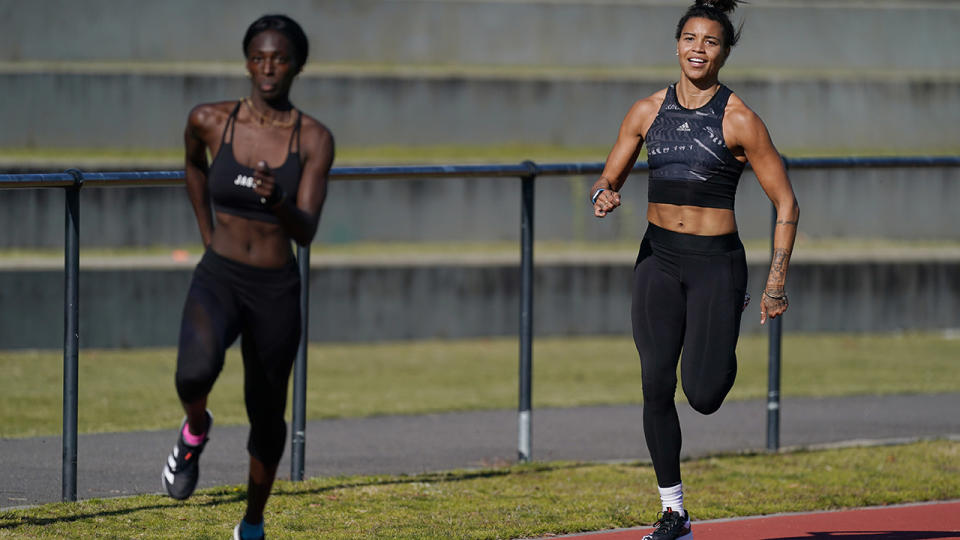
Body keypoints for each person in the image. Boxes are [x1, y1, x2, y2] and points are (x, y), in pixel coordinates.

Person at [590, 1, 799, 538]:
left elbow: (786, 204)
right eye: (689, 38)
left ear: (724, 52)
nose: (697, 48)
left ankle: (721, 342)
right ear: (677, 44)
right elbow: (609, 177)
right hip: (657, 258)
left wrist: (775, 282)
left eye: (709, 41)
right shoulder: (645, 111)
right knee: (655, 383)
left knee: (702, 395)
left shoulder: (740, 120)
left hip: (715, 266)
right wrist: (604, 194)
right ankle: (674, 511)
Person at [160, 14, 334, 540]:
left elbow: (305, 230)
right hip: (220, 275)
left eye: (279, 59)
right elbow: (192, 165)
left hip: (274, 288)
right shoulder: (210, 119)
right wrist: (206, 231)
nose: (268, 68)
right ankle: (195, 429)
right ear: (246, 61)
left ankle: (252, 523)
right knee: (193, 373)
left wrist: (278, 202)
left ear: (296, 66)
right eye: (259, 57)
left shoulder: (314, 138)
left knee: (266, 415)